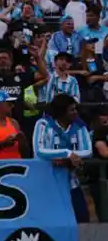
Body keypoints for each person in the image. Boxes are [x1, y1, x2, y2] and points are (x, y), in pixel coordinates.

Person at [33, 93, 92, 223]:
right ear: (61, 112)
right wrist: (67, 154)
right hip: (48, 183)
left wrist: (65, 158)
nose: (75, 112)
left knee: (82, 219)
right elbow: (39, 151)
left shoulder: (79, 125)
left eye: (76, 109)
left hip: (71, 182)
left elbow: (87, 151)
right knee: (51, 222)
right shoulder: (43, 124)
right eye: (72, 110)